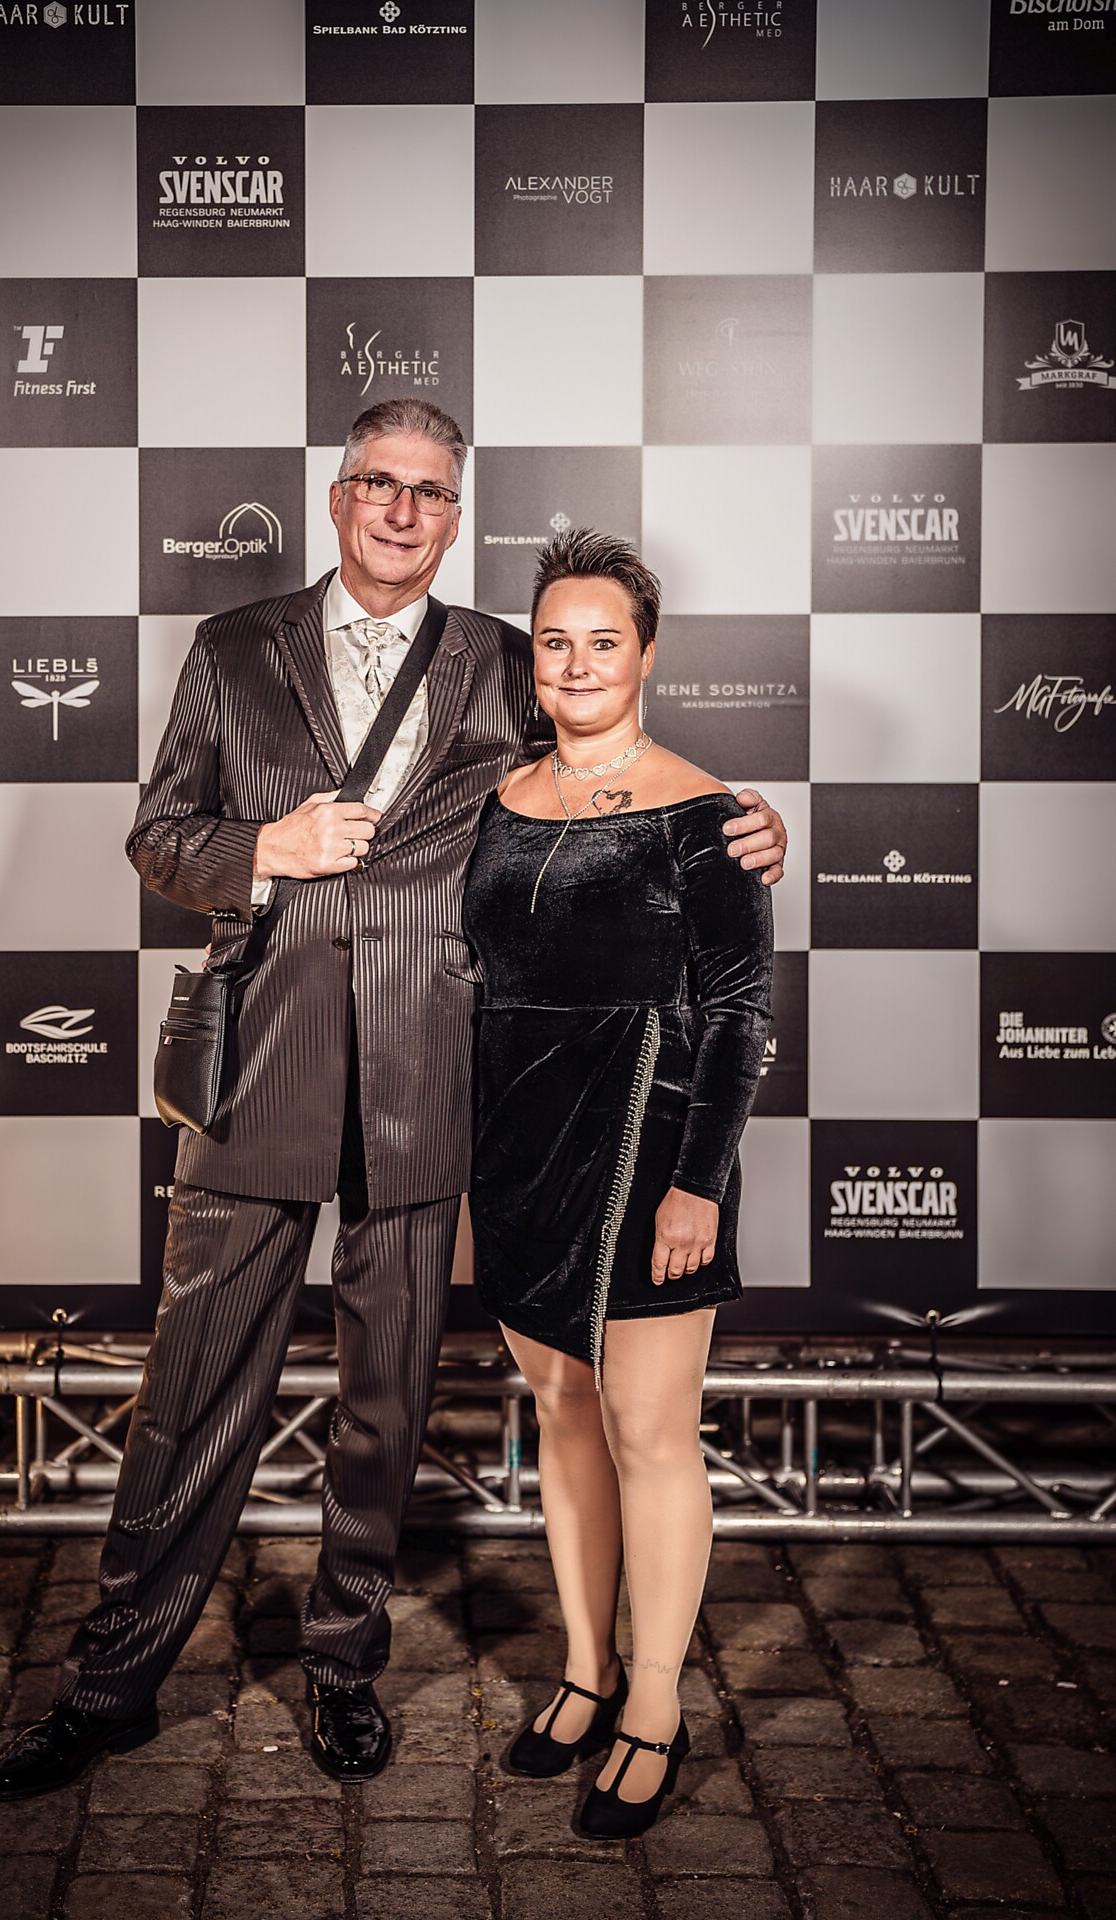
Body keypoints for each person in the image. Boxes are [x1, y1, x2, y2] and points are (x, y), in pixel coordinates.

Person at [0, 402, 788, 1801]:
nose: (404, 510)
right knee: (190, 1394)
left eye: (432, 492)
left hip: (427, 1081)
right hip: (263, 1070)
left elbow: (610, 759)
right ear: (339, 497)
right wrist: (264, 846)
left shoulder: (502, 659)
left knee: (386, 1404)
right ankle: (108, 1688)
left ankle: (343, 1666)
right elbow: (158, 837)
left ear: (457, 517)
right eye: (379, 484)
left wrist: (746, 824)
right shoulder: (234, 649)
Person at [462, 529, 774, 1839]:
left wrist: (698, 1186)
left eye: (605, 640)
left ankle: (654, 1705)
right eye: (556, 640)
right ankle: (586, 1674)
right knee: (564, 1412)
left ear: (647, 656)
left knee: (652, 1432)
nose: (579, 662)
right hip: (518, 1148)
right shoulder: (494, 797)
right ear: (531, 661)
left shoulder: (709, 817)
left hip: (652, 1154)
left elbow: (741, 1014)